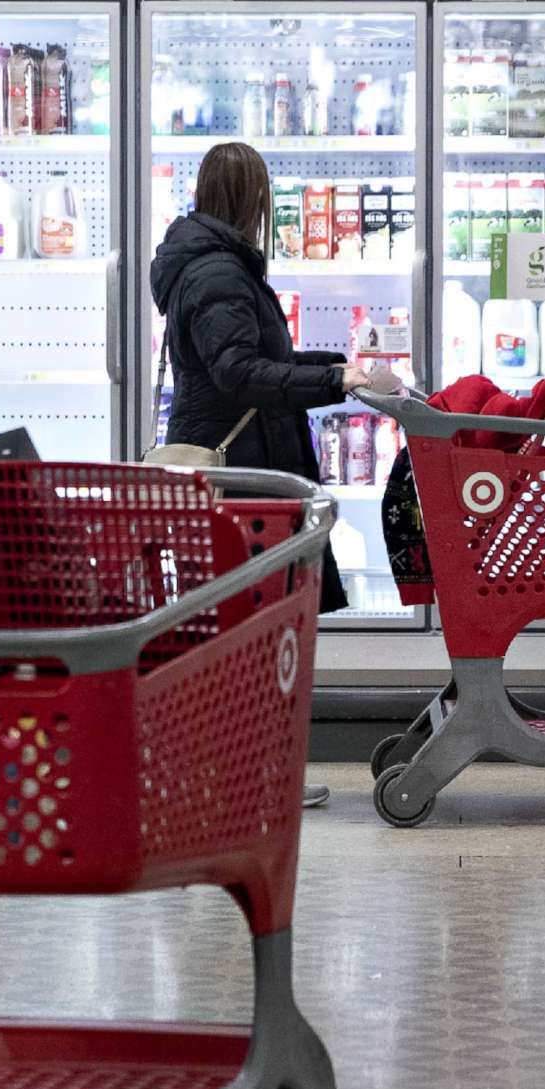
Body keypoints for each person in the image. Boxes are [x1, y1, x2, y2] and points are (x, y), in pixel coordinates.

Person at [150, 142, 377, 809]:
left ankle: (240, 768)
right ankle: (243, 773)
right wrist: (336, 379)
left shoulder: (209, 265)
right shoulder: (220, 273)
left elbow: (257, 356)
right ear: (251, 199)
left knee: (243, 621)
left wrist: (341, 364)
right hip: (242, 472)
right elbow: (240, 374)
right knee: (250, 624)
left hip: (245, 463)